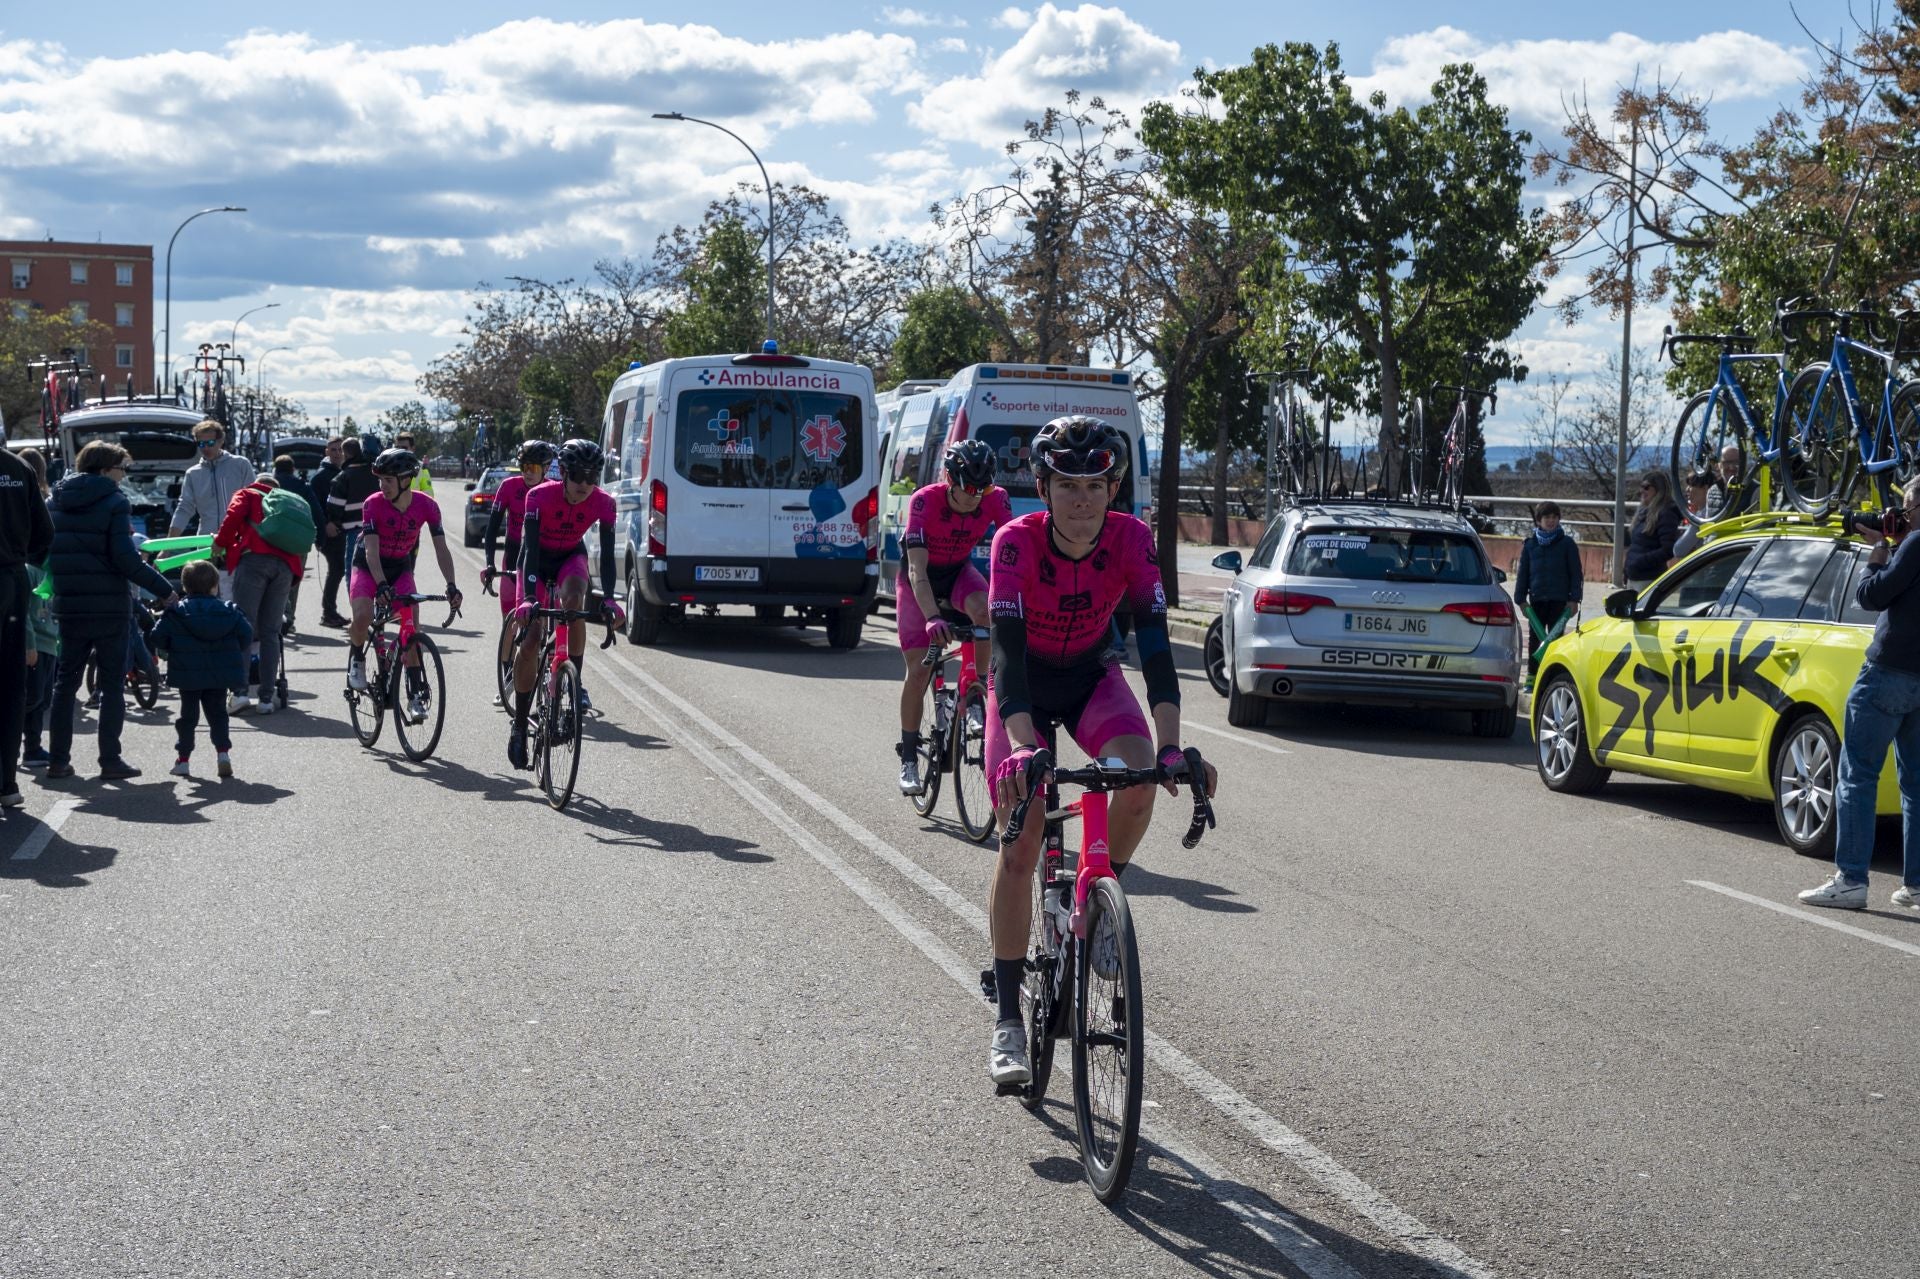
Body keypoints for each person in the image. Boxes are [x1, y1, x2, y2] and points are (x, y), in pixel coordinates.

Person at [981, 416, 1216, 1086]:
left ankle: (1098, 900)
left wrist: (1171, 747)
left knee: (1141, 777)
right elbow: (1004, 658)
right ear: (1043, 485)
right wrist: (1024, 751)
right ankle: (1006, 1016)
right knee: (1022, 838)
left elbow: (1157, 648)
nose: (1082, 498)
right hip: (1024, 682)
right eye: (1067, 484)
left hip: (1090, 676)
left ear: (1113, 486)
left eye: (1095, 484)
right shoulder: (1014, 543)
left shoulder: (1132, 539)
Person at [1799, 485, 1920, 912]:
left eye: (1906, 508)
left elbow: (1871, 596)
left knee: (1857, 776)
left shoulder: (1916, 543)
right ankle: (1916, 885)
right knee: (1916, 786)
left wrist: (1877, 552)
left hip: (1888, 673)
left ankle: (1851, 879)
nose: (1902, 515)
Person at [44, 442, 177, 780]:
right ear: (105, 469)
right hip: (109, 608)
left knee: (65, 684)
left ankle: (58, 760)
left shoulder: (55, 501)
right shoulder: (114, 502)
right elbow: (125, 558)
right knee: (113, 684)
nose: (123, 476)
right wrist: (164, 590)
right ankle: (110, 761)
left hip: (70, 604)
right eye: (122, 468)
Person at [895, 439, 1013, 794]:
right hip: (921, 579)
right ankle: (909, 757)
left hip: (958, 571)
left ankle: (976, 696)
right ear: (949, 479)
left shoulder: (995, 497)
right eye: (969, 489)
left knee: (987, 612)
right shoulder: (924, 501)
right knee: (919, 669)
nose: (977, 497)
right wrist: (932, 616)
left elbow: (1014, 546)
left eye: (984, 488)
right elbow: (917, 569)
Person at [505, 439, 622, 770]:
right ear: (565, 474)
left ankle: (575, 682)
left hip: (571, 557)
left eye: (592, 477)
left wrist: (611, 598)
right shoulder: (538, 496)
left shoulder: (605, 503)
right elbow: (527, 551)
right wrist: (528, 598)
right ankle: (519, 725)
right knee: (530, 639)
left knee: (574, 603)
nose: (585, 485)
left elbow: (609, 558)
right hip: (537, 563)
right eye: (579, 477)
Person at [346, 450, 462, 716]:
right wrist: (382, 585)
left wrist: (452, 584)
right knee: (363, 616)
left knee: (411, 627)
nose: (382, 486)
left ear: (406, 480)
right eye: (380, 480)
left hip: (400, 567)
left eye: (388, 480)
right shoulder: (372, 503)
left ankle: (416, 694)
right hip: (368, 566)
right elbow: (371, 552)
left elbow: (441, 549)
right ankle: (357, 658)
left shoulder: (427, 506)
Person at [214, 472, 310, 716]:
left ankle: (240, 693)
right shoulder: (288, 502)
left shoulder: (247, 494)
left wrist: (221, 543)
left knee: (244, 626)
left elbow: (232, 517)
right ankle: (267, 698)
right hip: (286, 567)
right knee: (271, 631)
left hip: (254, 561)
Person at [150, 559, 250, 780]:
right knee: (218, 714)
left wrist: (173, 648)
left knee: (188, 717)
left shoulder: (176, 613)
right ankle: (223, 754)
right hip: (219, 674)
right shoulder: (229, 611)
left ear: (185, 587)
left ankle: (183, 760)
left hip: (188, 673)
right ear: (215, 585)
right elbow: (246, 634)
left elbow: (157, 636)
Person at [0, 432, 55, 810]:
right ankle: (6, 782)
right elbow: (43, 535)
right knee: (10, 684)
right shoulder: (17, 467)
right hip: (10, 580)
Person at [482, 440, 555, 702]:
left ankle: (553, 670)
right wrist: (490, 562)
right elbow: (492, 529)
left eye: (533, 466)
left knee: (550, 615)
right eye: (523, 466)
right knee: (513, 622)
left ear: (546, 468)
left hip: (543, 556)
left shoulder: (552, 490)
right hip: (514, 557)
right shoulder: (509, 487)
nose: (527, 471)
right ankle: (508, 676)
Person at [168, 420, 255, 599]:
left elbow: (254, 502)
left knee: (238, 596)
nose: (205, 448)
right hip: (207, 544)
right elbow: (184, 508)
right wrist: (169, 545)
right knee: (207, 595)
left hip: (238, 544)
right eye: (201, 444)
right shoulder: (193, 473)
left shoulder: (240, 464)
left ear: (221, 441)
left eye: (210, 443)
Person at [1513, 501, 1582, 680]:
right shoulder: (1530, 545)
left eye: (1554, 517)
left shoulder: (1567, 544)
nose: (1551, 521)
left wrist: (1574, 599)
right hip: (1536, 600)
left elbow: (1576, 574)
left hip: (1560, 601)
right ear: (1539, 520)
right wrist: (1520, 599)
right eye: (1546, 517)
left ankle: (1552, 677)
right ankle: (1532, 676)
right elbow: (1523, 574)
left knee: (1556, 639)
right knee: (1535, 639)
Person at [272, 454, 322, 634]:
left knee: (272, 579)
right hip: (297, 541)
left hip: (272, 540)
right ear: (292, 469)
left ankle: (274, 616)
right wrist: (320, 539)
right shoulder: (302, 486)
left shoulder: (267, 484)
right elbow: (316, 511)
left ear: (275, 468)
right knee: (293, 581)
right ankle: (289, 619)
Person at [310, 436, 349, 627]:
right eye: (333, 450)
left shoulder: (345, 472)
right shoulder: (320, 476)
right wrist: (325, 524)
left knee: (339, 570)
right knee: (337, 569)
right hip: (328, 533)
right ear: (327, 452)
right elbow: (314, 505)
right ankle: (328, 613)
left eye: (340, 449)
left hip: (344, 530)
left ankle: (330, 612)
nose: (337, 453)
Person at [1623, 470, 1682, 591]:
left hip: (1648, 578)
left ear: (1658, 489)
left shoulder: (1666, 514)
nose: (1642, 491)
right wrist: (1627, 568)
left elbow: (1668, 549)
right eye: (1641, 487)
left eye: (1646, 487)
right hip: (1634, 576)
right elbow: (1636, 545)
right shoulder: (1643, 512)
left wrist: (1640, 562)